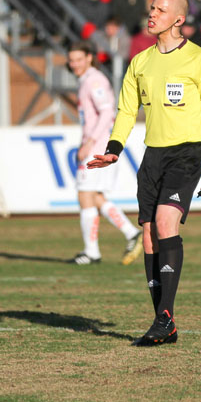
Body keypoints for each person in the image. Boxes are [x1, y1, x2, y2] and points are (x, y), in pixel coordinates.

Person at [87, 0, 201, 347]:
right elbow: (126, 112)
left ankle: (164, 318)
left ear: (178, 19)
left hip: (187, 154)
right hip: (152, 156)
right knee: (149, 235)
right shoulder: (140, 62)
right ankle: (164, 322)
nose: (152, 14)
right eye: (152, 8)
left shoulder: (199, 59)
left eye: (161, 10)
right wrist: (114, 149)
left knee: (166, 223)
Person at [66, 43, 143, 265]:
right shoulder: (87, 80)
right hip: (98, 143)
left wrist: (90, 143)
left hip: (97, 145)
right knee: (95, 197)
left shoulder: (94, 80)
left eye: (79, 59)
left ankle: (92, 252)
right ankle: (131, 233)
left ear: (89, 58)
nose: (75, 64)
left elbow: (108, 111)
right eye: (71, 60)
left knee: (85, 196)